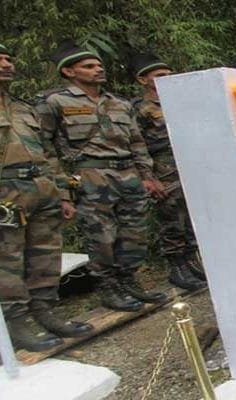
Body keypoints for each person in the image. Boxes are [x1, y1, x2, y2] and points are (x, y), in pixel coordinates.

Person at [36, 41, 167, 312]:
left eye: (99, 65)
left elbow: (137, 143)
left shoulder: (118, 103)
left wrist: (147, 176)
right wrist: (62, 190)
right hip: (91, 176)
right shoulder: (55, 103)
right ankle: (108, 287)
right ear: (69, 72)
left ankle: (129, 281)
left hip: (128, 175)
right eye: (89, 66)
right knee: (101, 236)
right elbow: (44, 149)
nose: (98, 69)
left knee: (134, 233)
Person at [0, 43, 93, 351]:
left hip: (41, 189)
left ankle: (45, 312)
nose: (6, 64)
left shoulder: (23, 107)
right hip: (6, 193)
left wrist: (63, 193)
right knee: (8, 260)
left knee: (45, 255)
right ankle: (16, 324)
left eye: (8, 57)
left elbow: (47, 153)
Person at [130, 53, 206, 291]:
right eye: (160, 76)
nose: (168, 79)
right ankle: (177, 268)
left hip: (186, 165)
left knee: (191, 219)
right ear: (143, 80)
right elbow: (135, 144)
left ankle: (192, 263)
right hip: (162, 170)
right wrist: (148, 177)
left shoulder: (179, 103)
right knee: (171, 219)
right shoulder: (139, 109)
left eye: (170, 75)